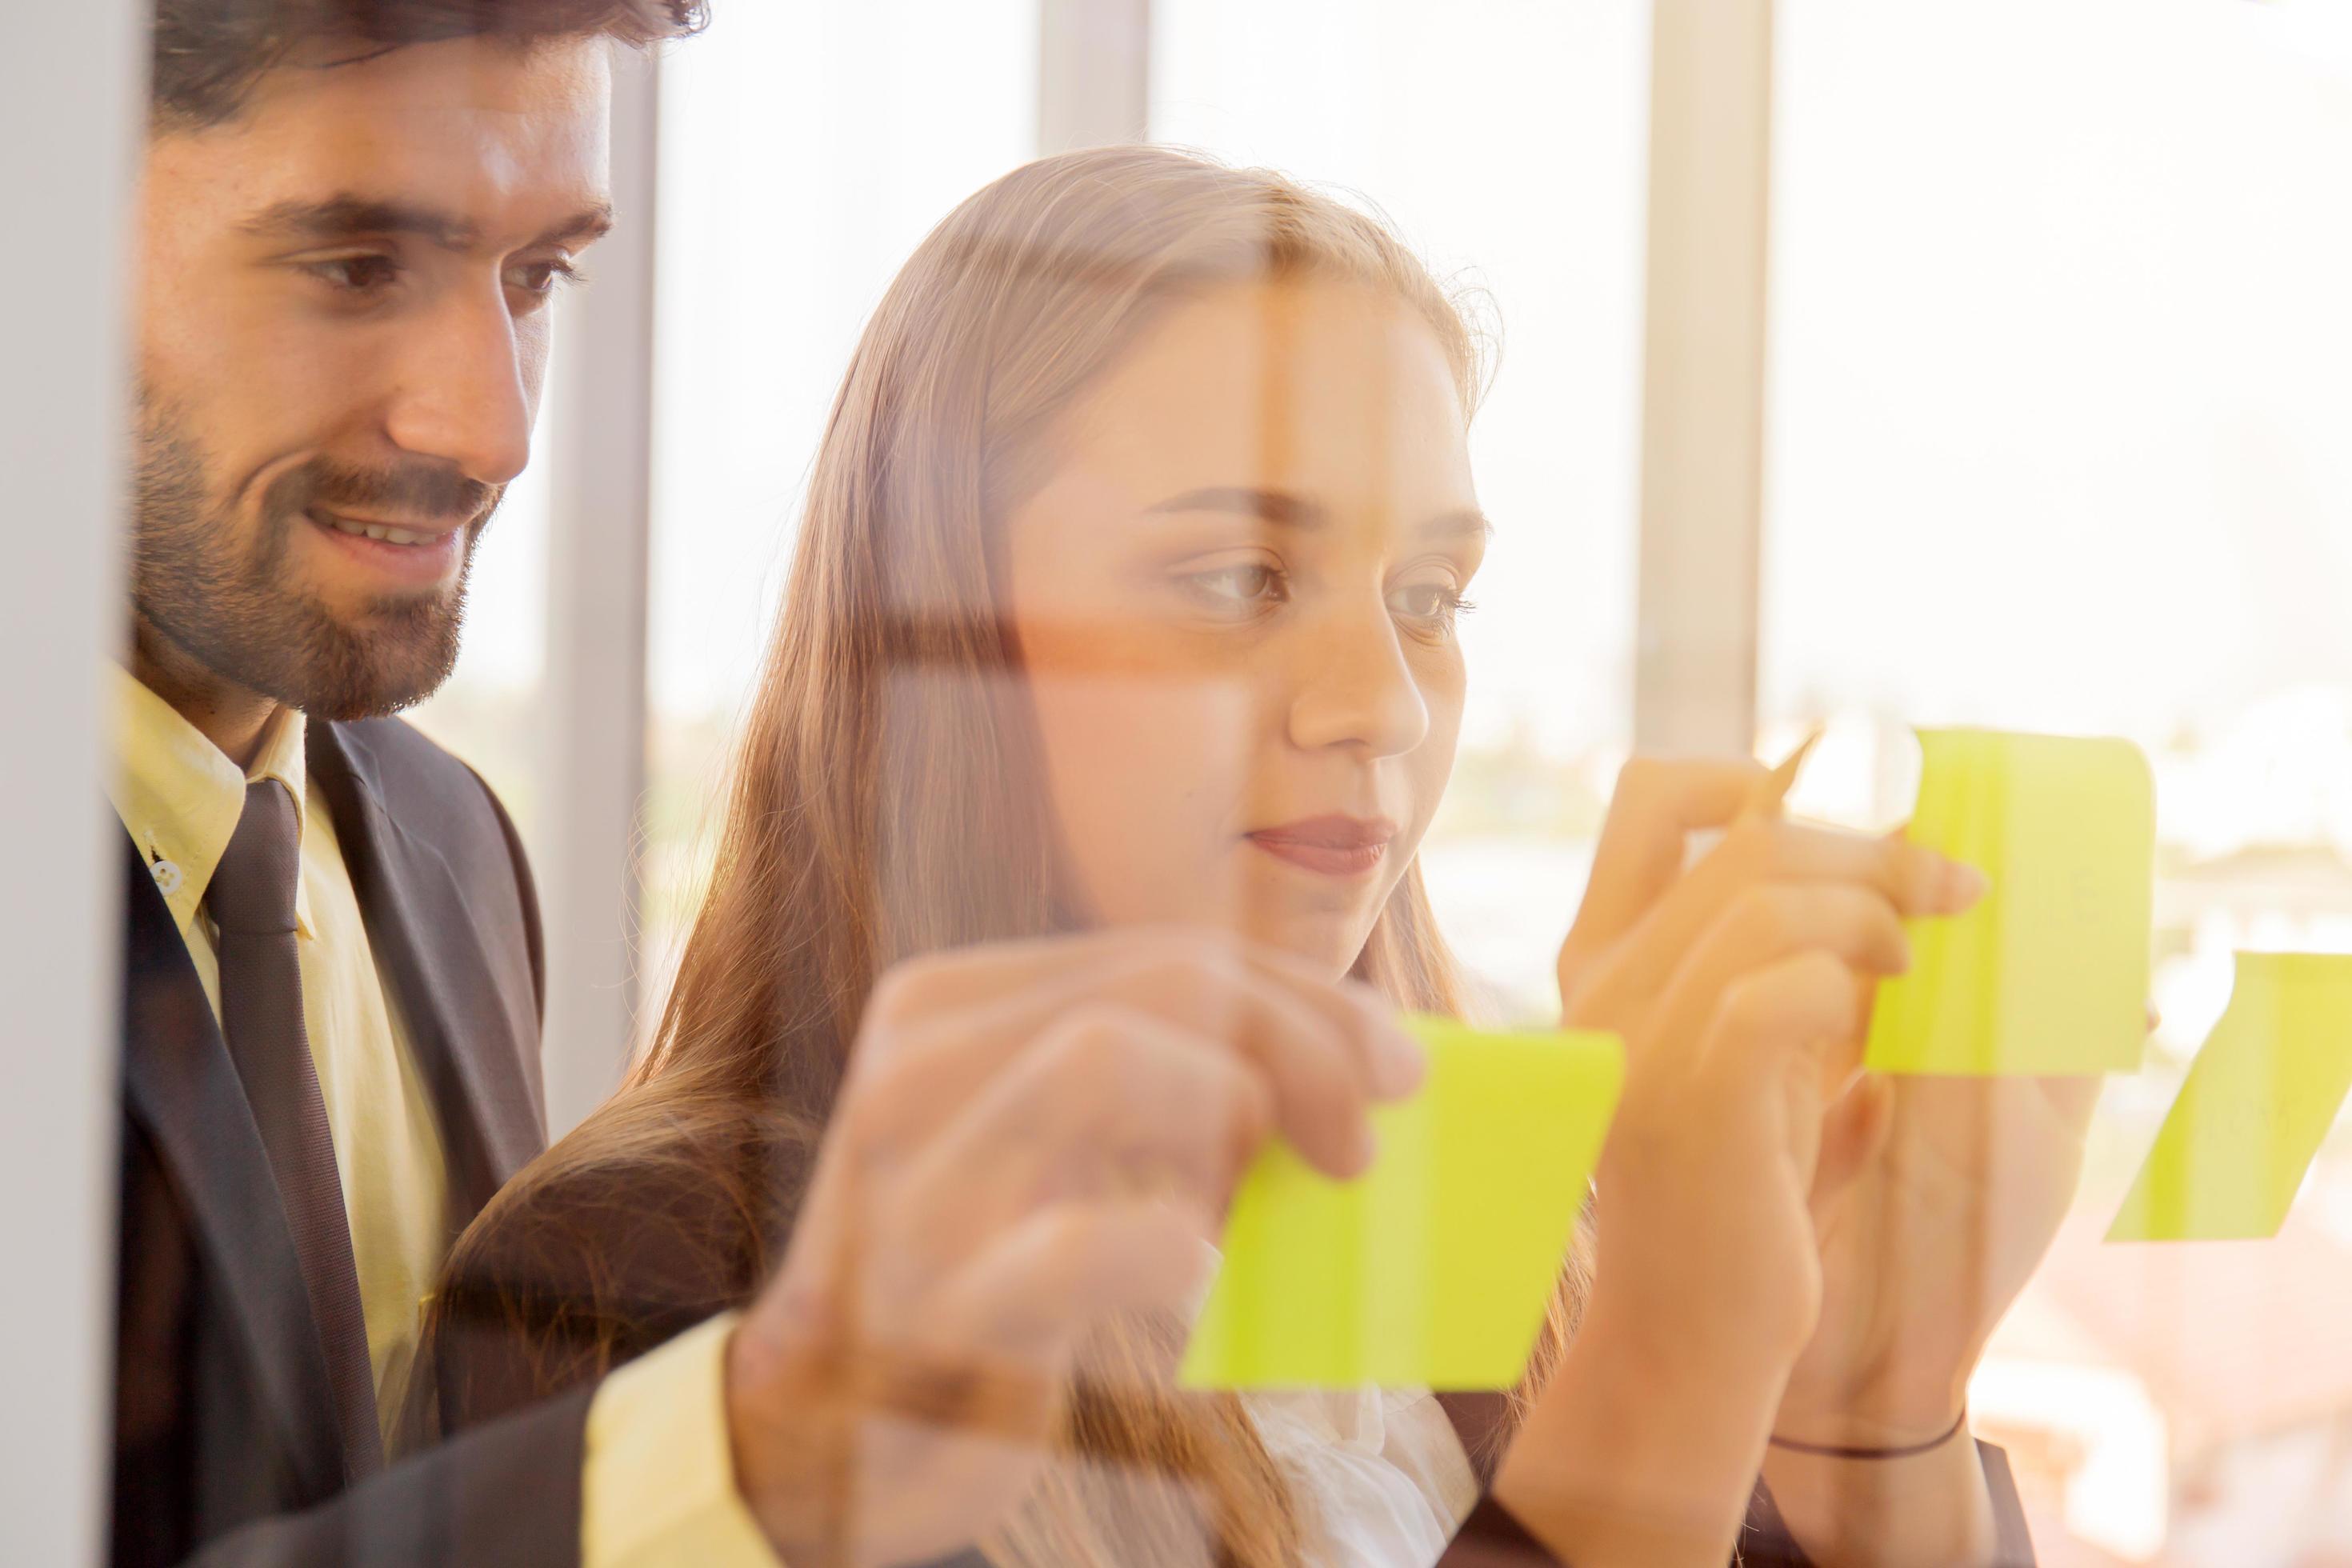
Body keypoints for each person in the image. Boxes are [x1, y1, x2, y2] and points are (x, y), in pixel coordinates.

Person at [422, 146, 2085, 1566]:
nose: (1377, 707)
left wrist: (1870, 1415)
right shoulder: (657, 1294)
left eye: (1426, 601)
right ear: (944, 635)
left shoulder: (1483, 1221)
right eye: (1234, 578)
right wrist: (1673, 1351)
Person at [117, 6, 1250, 1566]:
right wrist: (747, 1454)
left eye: (537, 277)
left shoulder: (447, 846)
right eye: (355, 266)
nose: (490, 425)